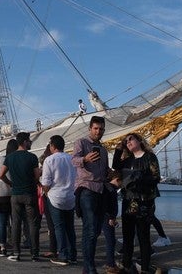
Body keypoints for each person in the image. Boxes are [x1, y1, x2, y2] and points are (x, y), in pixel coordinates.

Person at [113, 133, 161, 274]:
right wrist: (119, 148)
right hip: (129, 200)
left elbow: (156, 177)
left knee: (143, 235)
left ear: (139, 140)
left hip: (144, 201)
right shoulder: (128, 160)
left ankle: (145, 267)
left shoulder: (149, 157)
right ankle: (126, 264)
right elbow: (116, 165)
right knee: (127, 234)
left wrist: (139, 178)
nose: (128, 142)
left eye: (130, 139)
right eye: (126, 141)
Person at [72, 116, 112, 274]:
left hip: (101, 189)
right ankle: (90, 267)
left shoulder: (103, 149)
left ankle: (87, 267)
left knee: (95, 230)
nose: (98, 131)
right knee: (90, 228)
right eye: (96, 128)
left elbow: (104, 171)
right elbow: (73, 160)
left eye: (101, 129)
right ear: (90, 128)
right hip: (87, 188)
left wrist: (110, 173)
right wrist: (84, 159)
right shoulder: (81, 142)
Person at [0, 132, 41, 262]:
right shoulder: (32, 157)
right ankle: (35, 253)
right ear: (24, 142)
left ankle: (16, 253)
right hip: (29, 194)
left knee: (16, 223)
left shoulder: (10, 157)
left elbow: (1, 175)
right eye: (29, 141)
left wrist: (11, 183)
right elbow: (36, 176)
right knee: (32, 224)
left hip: (16, 195)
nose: (30, 143)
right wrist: (32, 182)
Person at [41, 135, 77, 266]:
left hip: (55, 197)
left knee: (58, 227)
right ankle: (73, 254)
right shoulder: (72, 158)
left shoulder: (49, 160)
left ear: (52, 146)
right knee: (70, 227)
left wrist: (47, 192)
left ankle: (63, 255)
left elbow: (46, 182)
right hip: (71, 197)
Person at [0, 139, 16, 256]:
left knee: (1, 221)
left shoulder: (0, 159)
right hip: (11, 194)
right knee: (14, 221)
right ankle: (14, 244)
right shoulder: (14, 160)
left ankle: (2, 245)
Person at [38, 144, 57, 259]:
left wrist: (44, 189)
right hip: (64, 195)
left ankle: (53, 249)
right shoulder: (66, 158)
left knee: (51, 224)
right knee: (62, 224)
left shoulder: (47, 160)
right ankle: (65, 249)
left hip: (49, 194)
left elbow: (45, 180)